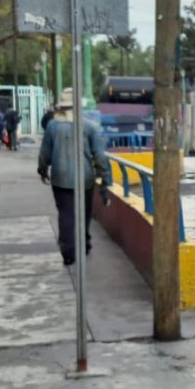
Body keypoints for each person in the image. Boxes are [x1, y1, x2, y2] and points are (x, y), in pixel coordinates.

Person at [38, 89, 112, 266]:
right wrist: (106, 179)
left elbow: (44, 153)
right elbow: (100, 157)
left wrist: (42, 171)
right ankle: (84, 243)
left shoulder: (52, 126)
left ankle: (68, 252)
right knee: (84, 213)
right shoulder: (89, 126)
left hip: (60, 178)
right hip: (85, 178)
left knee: (65, 214)